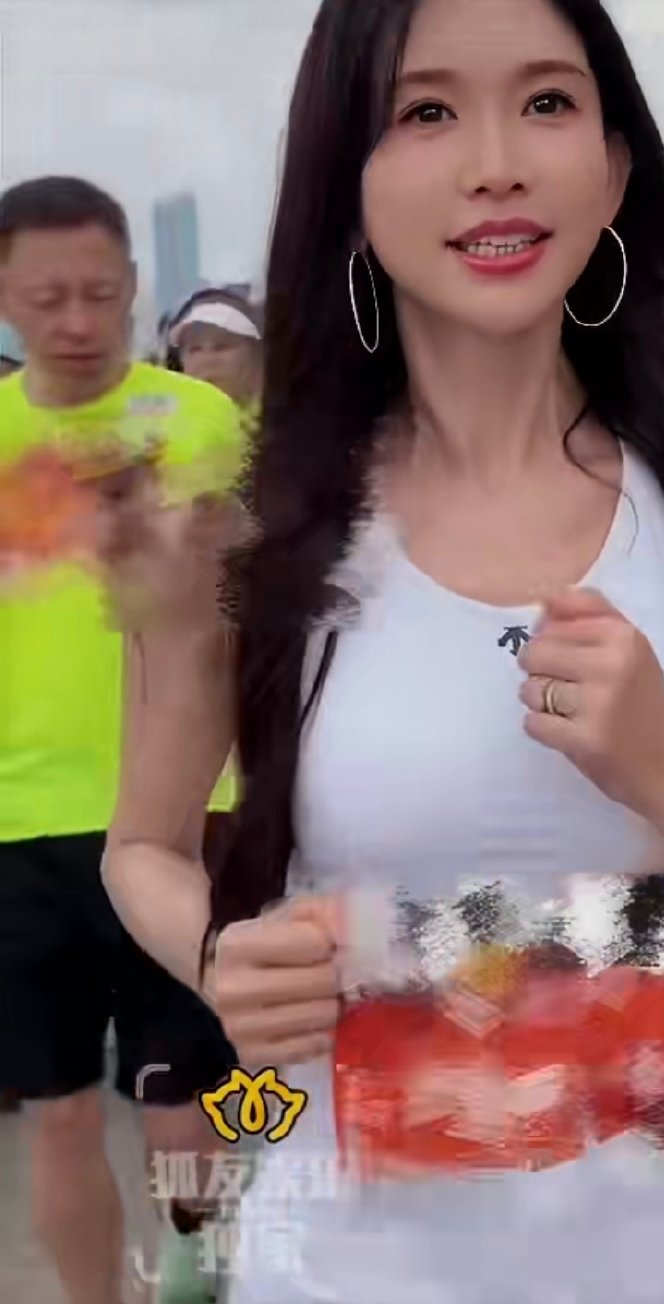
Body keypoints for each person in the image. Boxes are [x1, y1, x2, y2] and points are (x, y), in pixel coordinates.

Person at [99, 1, 664, 1301]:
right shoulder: (250, 545)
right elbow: (143, 848)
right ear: (348, 176)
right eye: (427, 110)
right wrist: (223, 956)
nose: (496, 162)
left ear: (612, 170)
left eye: (547, 102)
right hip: (349, 1272)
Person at [0, 176, 242, 1304]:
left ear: (135, 285)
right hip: (20, 823)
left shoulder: (199, 422)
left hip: (188, 809)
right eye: (47, 297)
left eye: (100, 294)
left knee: (184, 1106)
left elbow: (247, 608)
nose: (77, 322)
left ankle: (197, 1288)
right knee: (55, 1113)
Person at [170, 286, 264, 423]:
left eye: (222, 346)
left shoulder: (283, 425)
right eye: (195, 349)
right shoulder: (164, 427)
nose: (207, 360)